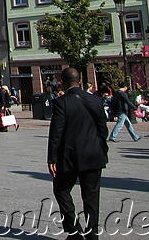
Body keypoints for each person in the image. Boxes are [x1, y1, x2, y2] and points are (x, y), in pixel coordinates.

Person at [47, 68, 109, 240]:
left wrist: (52, 158)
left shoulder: (61, 102)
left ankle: (74, 230)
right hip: (93, 154)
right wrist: (102, 148)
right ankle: (92, 235)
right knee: (91, 196)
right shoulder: (96, 101)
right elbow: (102, 129)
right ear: (80, 81)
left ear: (62, 82)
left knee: (61, 189)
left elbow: (56, 133)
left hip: (69, 156)